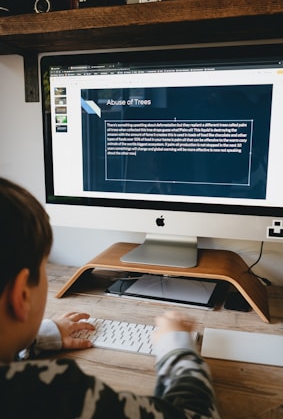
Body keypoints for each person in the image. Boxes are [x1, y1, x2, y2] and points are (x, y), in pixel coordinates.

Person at [0, 176, 220, 419]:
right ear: (21, 295)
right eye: (44, 266)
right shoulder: (54, 394)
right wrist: (177, 348)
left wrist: (40, 336)